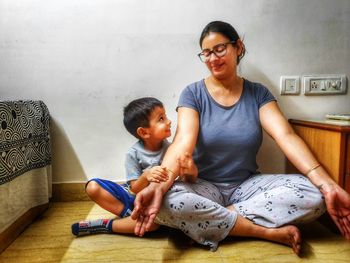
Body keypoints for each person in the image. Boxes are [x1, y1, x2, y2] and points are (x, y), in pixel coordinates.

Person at [131, 21, 350, 255]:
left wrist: (327, 184)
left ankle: (209, 222)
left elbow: (285, 135)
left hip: (246, 187)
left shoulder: (258, 93)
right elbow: (183, 140)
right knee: (167, 201)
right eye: (206, 53)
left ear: (238, 47)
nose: (212, 58)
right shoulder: (193, 93)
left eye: (219, 49)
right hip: (202, 186)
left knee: (313, 195)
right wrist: (158, 185)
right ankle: (262, 230)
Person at [71, 97, 198, 236]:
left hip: (161, 200)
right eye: (161, 118)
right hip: (135, 198)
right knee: (93, 187)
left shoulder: (172, 148)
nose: (169, 121)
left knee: (156, 222)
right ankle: (134, 216)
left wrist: (189, 169)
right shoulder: (133, 154)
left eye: (165, 116)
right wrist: (146, 176)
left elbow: (186, 181)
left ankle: (108, 225)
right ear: (144, 132)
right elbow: (134, 188)